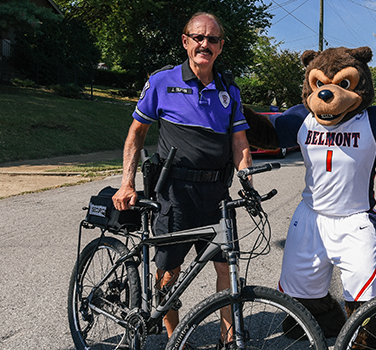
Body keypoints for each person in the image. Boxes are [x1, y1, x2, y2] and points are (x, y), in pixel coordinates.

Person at [112, 12, 252, 348]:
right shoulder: (163, 82)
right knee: (169, 273)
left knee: (225, 269)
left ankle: (228, 338)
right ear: (186, 41)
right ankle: (177, 339)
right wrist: (127, 182)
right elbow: (136, 133)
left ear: (220, 47)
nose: (205, 44)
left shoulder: (229, 90)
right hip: (175, 195)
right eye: (198, 37)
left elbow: (239, 142)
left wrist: (247, 180)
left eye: (212, 39)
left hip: (217, 194)